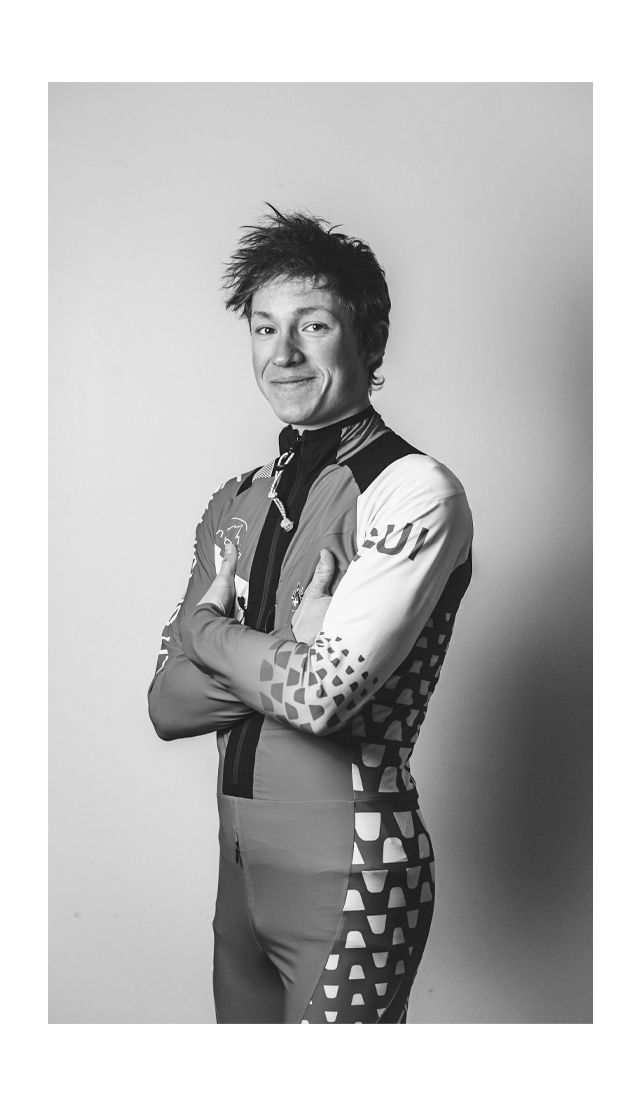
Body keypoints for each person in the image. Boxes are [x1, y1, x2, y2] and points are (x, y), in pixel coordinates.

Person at [148, 206, 474, 1024]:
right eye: (265, 328)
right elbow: (167, 706)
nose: (283, 353)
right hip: (238, 876)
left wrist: (206, 634)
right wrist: (287, 650)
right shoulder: (237, 498)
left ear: (369, 339)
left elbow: (321, 697)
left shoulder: (414, 491)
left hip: (356, 873)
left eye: (313, 325)